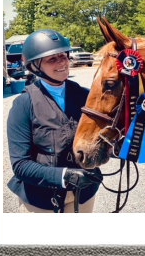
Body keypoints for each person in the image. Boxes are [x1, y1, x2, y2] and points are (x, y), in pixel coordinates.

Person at [7, 29, 102, 213]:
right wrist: (64, 176)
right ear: (35, 66)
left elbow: (100, 140)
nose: (62, 62)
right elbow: (20, 165)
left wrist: (137, 120)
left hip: (82, 194)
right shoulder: (24, 104)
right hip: (40, 199)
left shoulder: (85, 96)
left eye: (63, 56)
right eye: (52, 58)